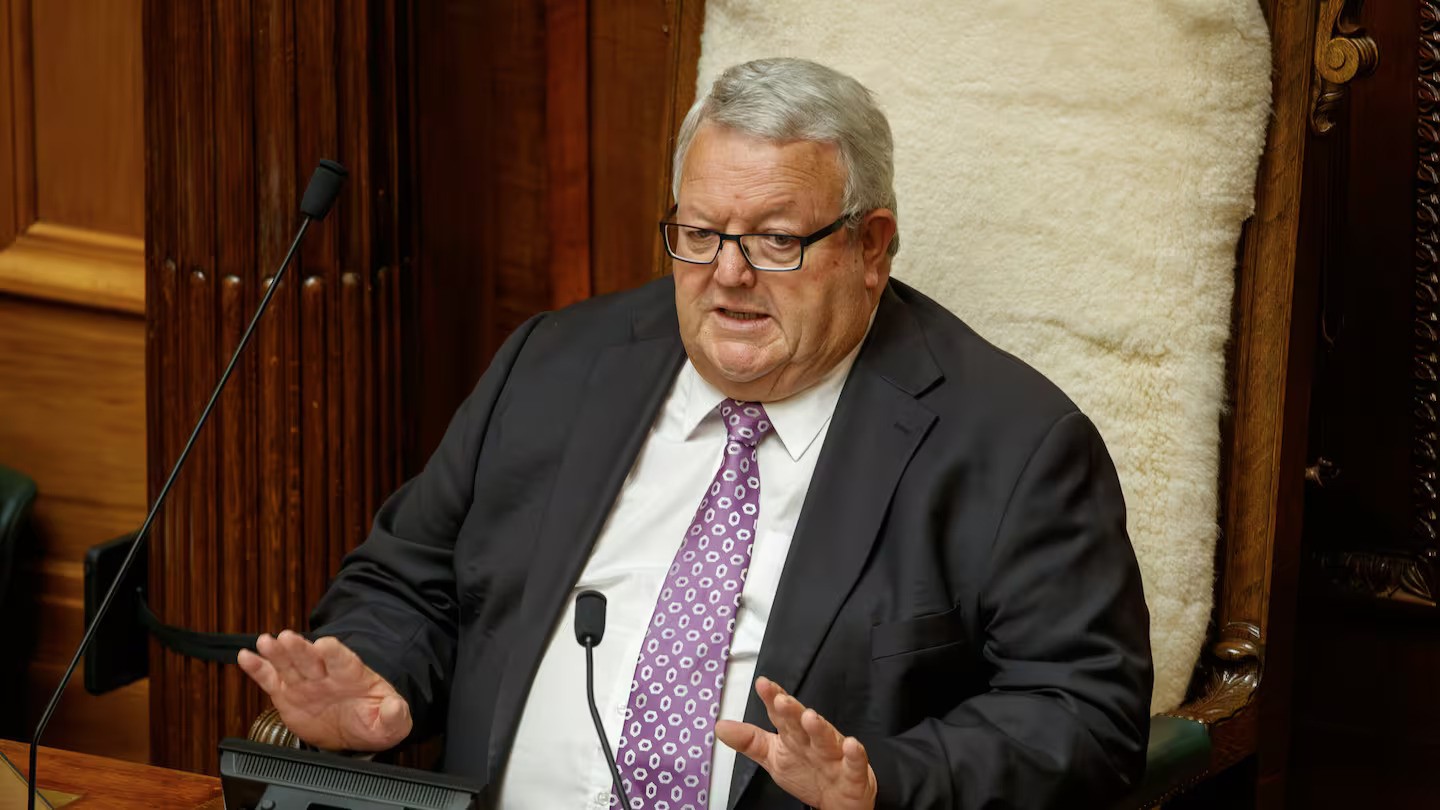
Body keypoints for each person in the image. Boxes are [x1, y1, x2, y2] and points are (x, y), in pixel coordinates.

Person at [238, 57, 1152, 809]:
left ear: (871, 248)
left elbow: (1083, 715)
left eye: (775, 240)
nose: (728, 276)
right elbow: (410, 582)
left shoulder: (1013, 444)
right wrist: (379, 677)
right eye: (700, 232)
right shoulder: (556, 364)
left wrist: (890, 785)